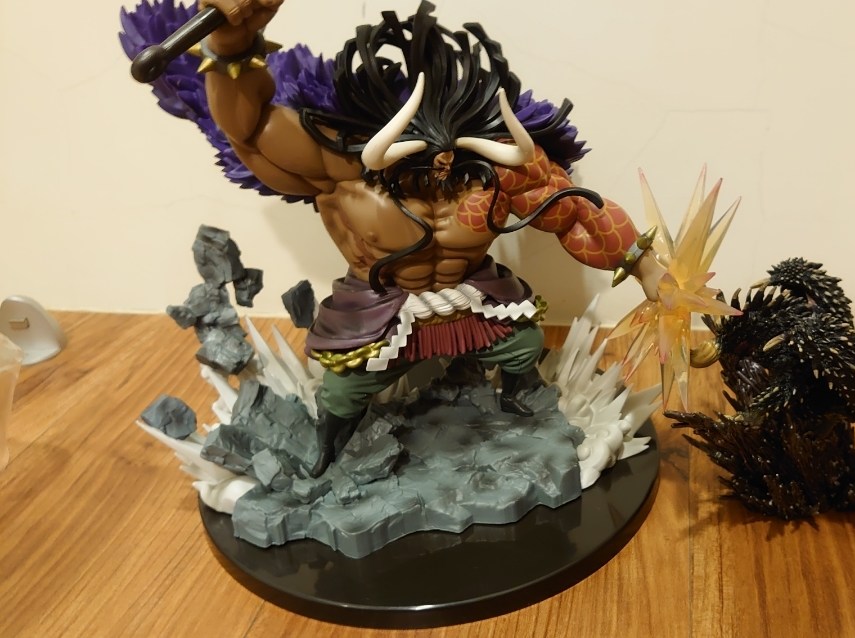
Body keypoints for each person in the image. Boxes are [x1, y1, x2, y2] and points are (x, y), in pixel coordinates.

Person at [197, 0, 664, 476]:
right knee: (343, 392)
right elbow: (250, 129)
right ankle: (328, 447)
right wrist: (231, 42)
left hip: (473, 299)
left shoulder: (497, 173)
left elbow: (576, 212)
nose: (442, 165)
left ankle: (520, 397)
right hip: (383, 308)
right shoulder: (342, 168)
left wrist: (647, 268)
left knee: (523, 343)